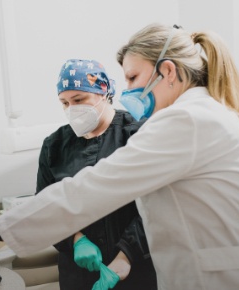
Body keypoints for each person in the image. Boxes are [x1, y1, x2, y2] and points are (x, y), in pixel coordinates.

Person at [0, 22, 239, 290]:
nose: (129, 90)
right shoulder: (207, 114)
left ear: (168, 71)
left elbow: (93, 189)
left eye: (133, 77)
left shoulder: (186, 121)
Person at [34, 59, 157, 289]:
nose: (72, 109)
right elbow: (45, 206)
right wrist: (75, 239)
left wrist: (126, 255)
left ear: (103, 92)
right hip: (78, 273)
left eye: (79, 100)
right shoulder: (54, 146)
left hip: (137, 268)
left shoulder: (138, 133)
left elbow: (156, 204)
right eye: (64, 103)